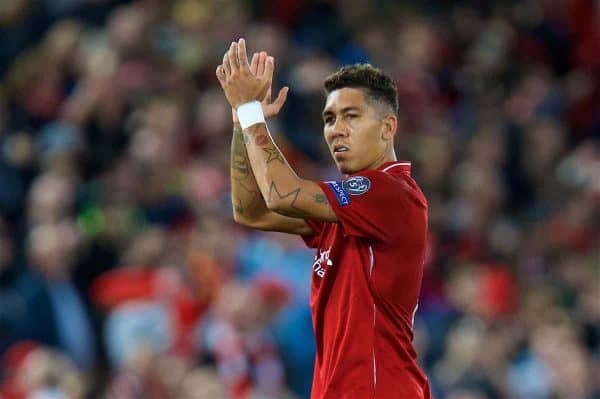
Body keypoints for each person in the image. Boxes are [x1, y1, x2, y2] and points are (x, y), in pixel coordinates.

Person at [216, 38, 431, 399]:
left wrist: (251, 112)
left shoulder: (392, 192)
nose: (336, 130)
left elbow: (280, 193)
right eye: (329, 119)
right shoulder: (345, 210)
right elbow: (250, 211)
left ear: (388, 127)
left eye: (351, 116)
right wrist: (241, 121)